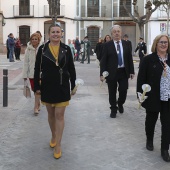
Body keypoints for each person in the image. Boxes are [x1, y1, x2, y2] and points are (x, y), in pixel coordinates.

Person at [34, 24, 76, 159]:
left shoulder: (66, 49)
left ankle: (58, 144)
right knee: (51, 115)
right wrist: (37, 87)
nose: (56, 34)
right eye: (53, 32)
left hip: (62, 86)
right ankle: (53, 135)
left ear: (61, 34)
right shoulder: (42, 49)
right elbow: (36, 69)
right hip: (47, 85)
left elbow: (71, 68)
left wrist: (73, 84)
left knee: (60, 115)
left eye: (58, 32)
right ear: (48, 34)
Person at [137, 34, 170, 162]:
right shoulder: (148, 59)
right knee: (151, 120)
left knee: (167, 123)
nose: (163, 44)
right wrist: (140, 94)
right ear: (156, 44)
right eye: (161, 42)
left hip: (168, 97)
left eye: (166, 42)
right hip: (153, 96)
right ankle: (149, 139)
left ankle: (164, 149)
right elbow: (141, 78)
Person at [100, 25, 135, 118]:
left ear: (121, 33)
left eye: (118, 31)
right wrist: (102, 74)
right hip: (111, 72)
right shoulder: (107, 45)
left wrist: (132, 71)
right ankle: (113, 109)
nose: (116, 33)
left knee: (123, 90)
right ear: (111, 34)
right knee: (112, 92)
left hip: (123, 71)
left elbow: (129, 58)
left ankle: (120, 103)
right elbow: (103, 60)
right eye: (114, 31)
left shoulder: (126, 44)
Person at [22, 33, 41, 115]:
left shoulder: (42, 49)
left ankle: (35, 107)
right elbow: (26, 63)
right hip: (31, 74)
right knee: (34, 90)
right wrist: (24, 75)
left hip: (41, 74)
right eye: (32, 39)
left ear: (38, 40)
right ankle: (38, 103)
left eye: (35, 39)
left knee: (38, 90)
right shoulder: (28, 50)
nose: (34, 40)